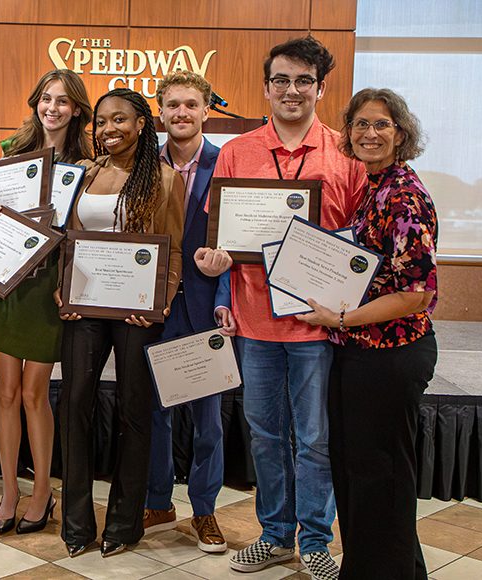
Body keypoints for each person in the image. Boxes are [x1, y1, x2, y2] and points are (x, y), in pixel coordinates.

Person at [217, 36, 366, 580]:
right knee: (264, 433)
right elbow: (221, 240)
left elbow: (357, 244)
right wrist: (216, 277)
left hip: (316, 326)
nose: (292, 90)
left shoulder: (344, 153)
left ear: (321, 89)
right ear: (266, 87)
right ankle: (275, 536)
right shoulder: (238, 151)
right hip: (254, 320)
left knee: (315, 438)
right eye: (281, 80)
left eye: (304, 81)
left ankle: (316, 540)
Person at [295, 88, 437, 580]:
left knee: (382, 479)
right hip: (361, 352)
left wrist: (338, 319)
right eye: (359, 125)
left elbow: (414, 294)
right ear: (348, 132)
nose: (369, 134)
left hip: (392, 353)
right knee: (362, 475)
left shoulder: (404, 195)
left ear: (401, 132)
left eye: (381, 125)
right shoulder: (375, 186)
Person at [55, 87, 184, 558]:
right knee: (74, 407)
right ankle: (75, 526)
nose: (109, 129)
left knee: (133, 409)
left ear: (142, 125)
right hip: (84, 307)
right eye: (102, 121)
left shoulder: (166, 180)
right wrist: (62, 288)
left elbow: (172, 253)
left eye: (120, 120)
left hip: (135, 310)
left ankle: (124, 524)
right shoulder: (84, 175)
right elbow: (69, 237)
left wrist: (158, 303)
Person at [0, 69, 93, 535]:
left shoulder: (88, 164)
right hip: (9, 280)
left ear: (77, 110)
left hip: (50, 286)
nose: (53, 108)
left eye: (64, 101)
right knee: (6, 393)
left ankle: (41, 491)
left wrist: (69, 277)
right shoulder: (12, 152)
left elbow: (86, 232)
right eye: (46, 98)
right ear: (36, 102)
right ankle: (9, 490)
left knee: (34, 394)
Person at [141, 71, 234, 554]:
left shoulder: (230, 163)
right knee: (154, 410)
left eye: (191, 105)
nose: (181, 113)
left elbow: (238, 242)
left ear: (205, 110)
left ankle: (204, 510)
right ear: (160, 111)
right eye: (173, 105)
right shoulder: (140, 164)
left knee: (208, 419)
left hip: (203, 306)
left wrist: (223, 297)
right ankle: (158, 501)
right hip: (153, 308)